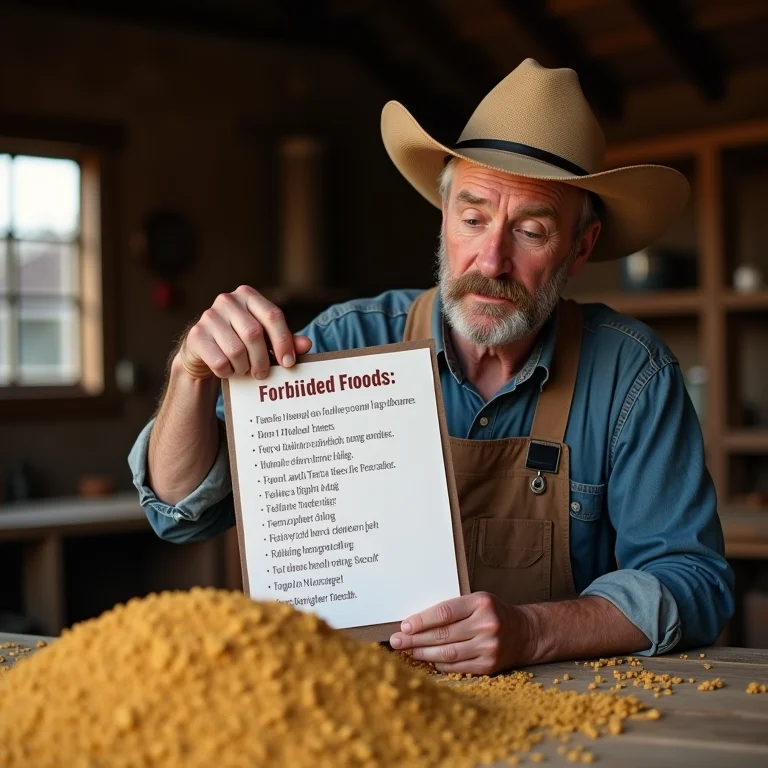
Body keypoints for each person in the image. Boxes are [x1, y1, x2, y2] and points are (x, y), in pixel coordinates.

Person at [128, 59, 734, 674]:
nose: (491, 259)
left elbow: (695, 580)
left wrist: (535, 631)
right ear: (443, 219)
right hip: (355, 700)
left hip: (565, 721)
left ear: (581, 246)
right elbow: (181, 512)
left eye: (530, 230)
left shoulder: (632, 374)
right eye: (473, 219)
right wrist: (190, 376)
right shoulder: (346, 341)